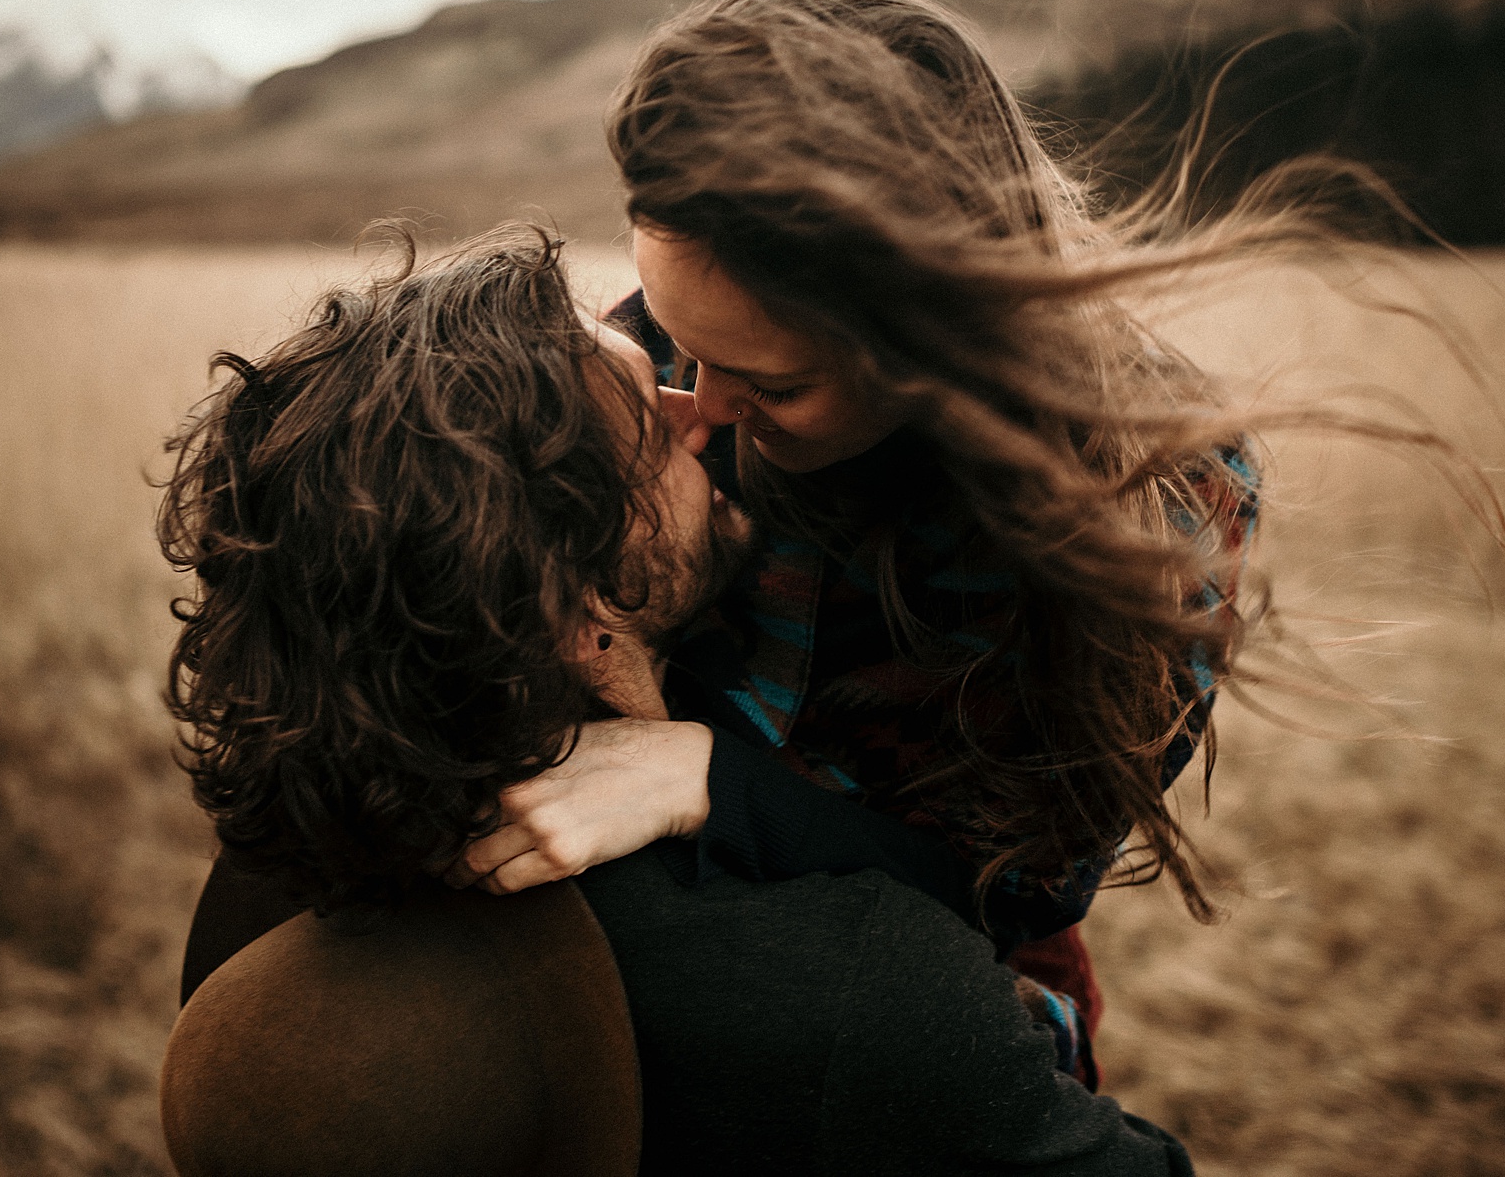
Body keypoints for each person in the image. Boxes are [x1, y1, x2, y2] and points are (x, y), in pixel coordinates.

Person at [161, 225, 1195, 1174]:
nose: (696, 413)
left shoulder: (297, 881)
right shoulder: (858, 998)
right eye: (648, 429)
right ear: (584, 614)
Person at [441, 0, 1274, 1081]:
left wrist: (707, 781)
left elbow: (1015, 891)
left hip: (928, 1029)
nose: (700, 408)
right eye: (678, 341)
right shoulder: (666, 352)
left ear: (934, 336)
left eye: (771, 385)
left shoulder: (1157, 508)